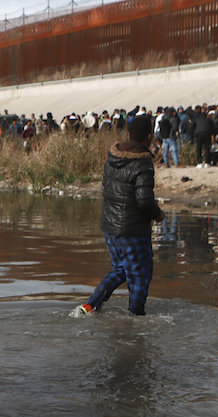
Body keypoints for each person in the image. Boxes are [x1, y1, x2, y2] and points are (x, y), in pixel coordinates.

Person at [74, 117, 165, 316]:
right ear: (149, 136)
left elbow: (106, 190)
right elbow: (144, 200)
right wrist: (158, 214)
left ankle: (89, 306)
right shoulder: (143, 163)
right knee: (141, 275)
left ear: (129, 134)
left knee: (121, 269)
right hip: (132, 230)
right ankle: (136, 317)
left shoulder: (112, 158)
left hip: (110, 226)